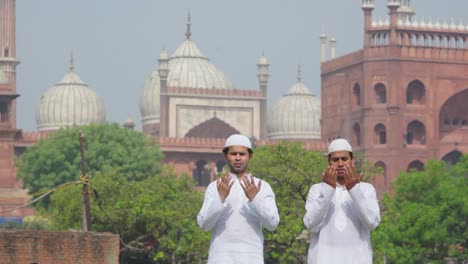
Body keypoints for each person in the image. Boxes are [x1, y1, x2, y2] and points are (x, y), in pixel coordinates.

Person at [197, 134, 280, 264]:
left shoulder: (261, 186)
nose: (237, 158)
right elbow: (204, 225)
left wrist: (255, 199)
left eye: (242, 154)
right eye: (233, 153)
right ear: (225, 156)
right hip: (220, 257)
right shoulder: (215, 187)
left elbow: (272, 224)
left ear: (250, 156)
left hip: (251, 257)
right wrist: (221, 198)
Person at [303, 138, 380, 263]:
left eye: (344, 159)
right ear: (329, 163)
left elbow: (371, 223)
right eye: (335, 160)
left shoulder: (366, 189)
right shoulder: (317, 190)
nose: (340, 164)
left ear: (352, 161)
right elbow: (311, 225)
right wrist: (328, 190)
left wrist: (354, 190)